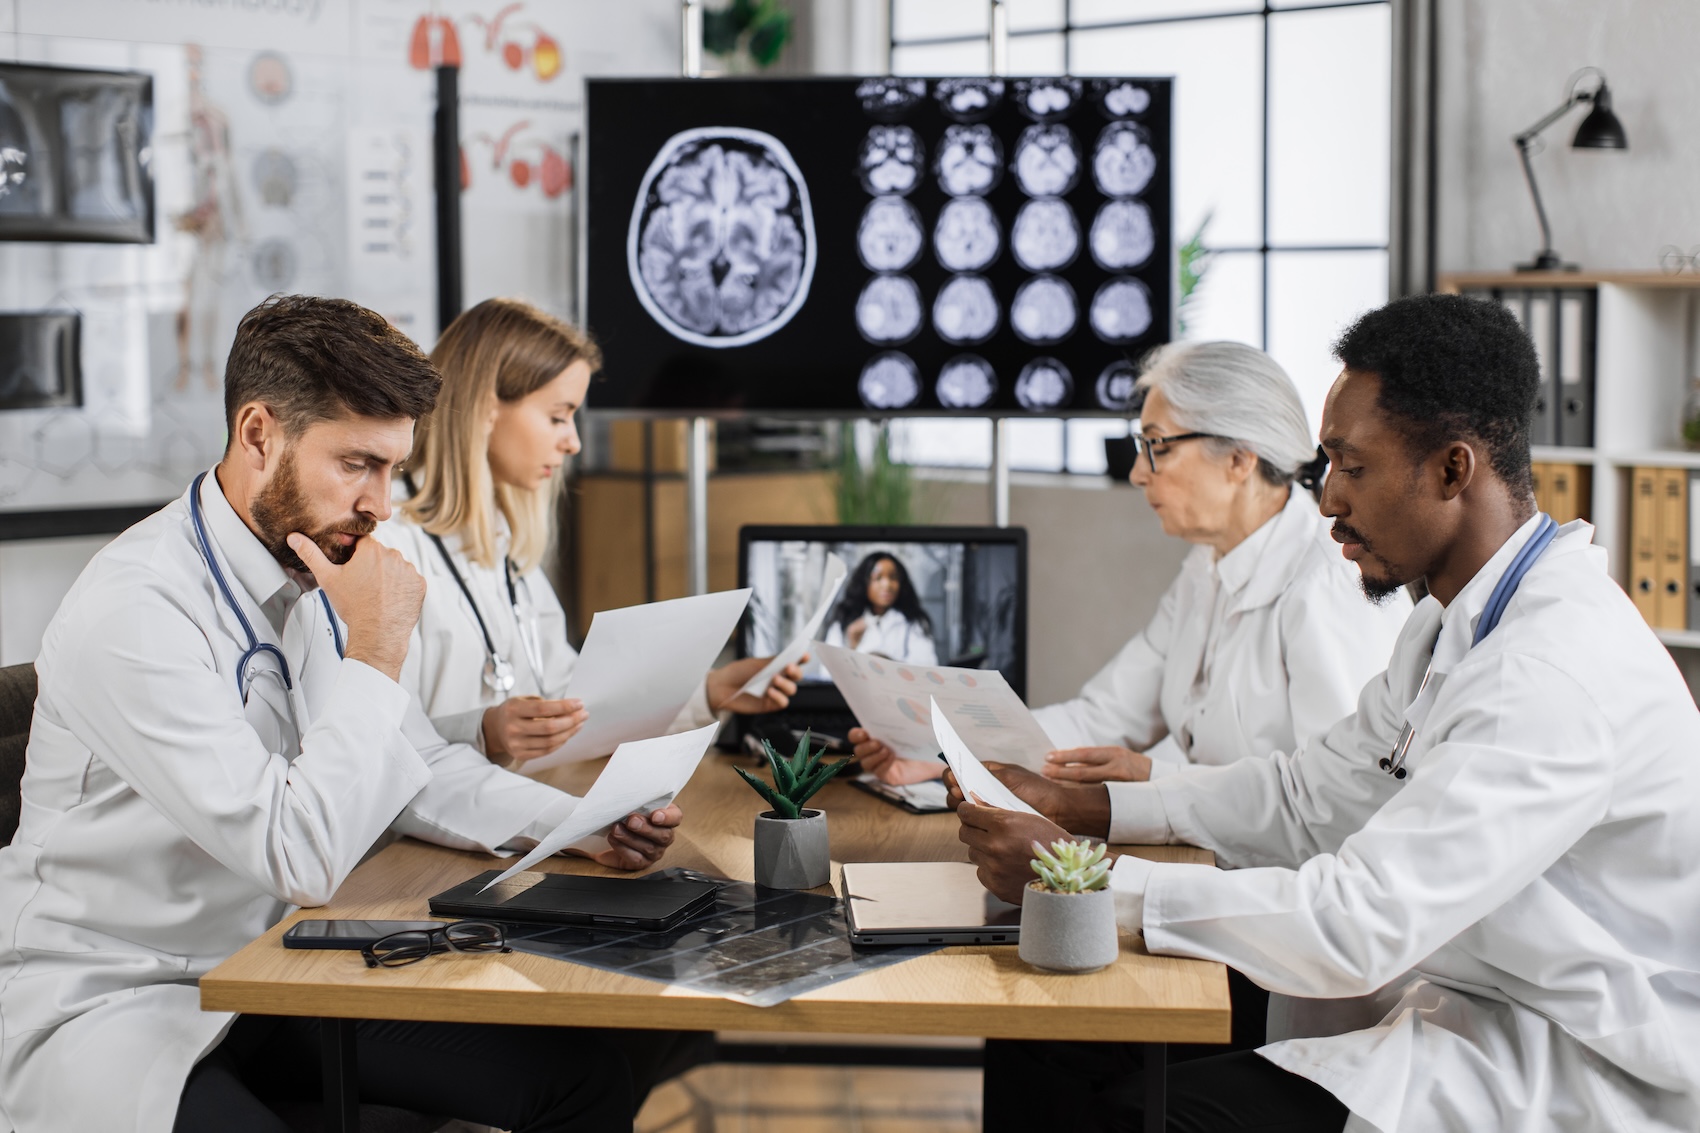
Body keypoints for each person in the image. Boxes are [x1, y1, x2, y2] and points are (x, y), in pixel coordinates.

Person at [952, 294, 1700, 1132]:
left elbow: (1359, 921)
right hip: (1463, 1005)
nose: (1327, 496)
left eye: (1352, 466)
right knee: (1047, 1038)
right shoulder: (1446, 626)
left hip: (1573, 1062)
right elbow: (1308, 795)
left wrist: (1082, 875)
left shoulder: (1551, 670)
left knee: (1142, 1115)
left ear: (1453, 470)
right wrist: (1095, 805)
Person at [0, 295, 684, 1133]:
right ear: (259, 433)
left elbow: (420, 767)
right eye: (358, 463)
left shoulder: (310, 564)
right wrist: (378, 647)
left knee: (579, 1078)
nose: (383, 504)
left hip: (267, 974)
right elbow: (297, 854)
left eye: (392, 468)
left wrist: (578, 823)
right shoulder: (136, 608)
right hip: (118, 999)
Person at [853, 341, 1410, 787]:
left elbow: (1344, 795)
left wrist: (1156, 779)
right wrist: (940, 752)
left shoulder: (1329, 583)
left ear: (1240, 458)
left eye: (1156, 446)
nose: (1139, 473)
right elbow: (1102, 717)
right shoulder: (1207, 567)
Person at [379, 297, 800, 767]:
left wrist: (710, 690)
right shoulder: (387, 542)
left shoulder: (504, 548)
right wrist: (484, 734)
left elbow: (570, 707)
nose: (574, 441)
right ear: (485, 407)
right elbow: (385, 744)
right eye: (558, 416)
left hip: (513, 807)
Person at [821, 550, 939, 667]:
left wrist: (885, 664)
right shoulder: (844, 618)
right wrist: (851, 646)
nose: (887, 585)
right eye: (878, 578)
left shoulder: (914, 622)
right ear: (864, 583)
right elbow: (827, 672)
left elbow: (927, 668)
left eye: (893, 577)